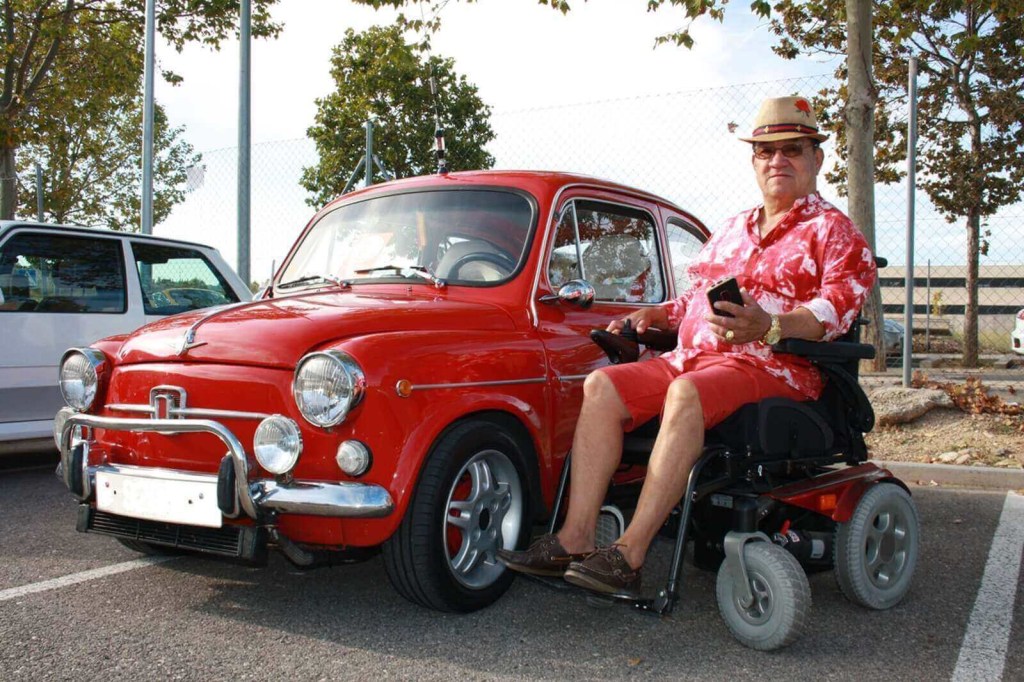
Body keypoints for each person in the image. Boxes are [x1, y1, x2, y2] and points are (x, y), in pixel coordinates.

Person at [497, 95, 878, 596]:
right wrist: (657, 314)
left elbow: (836, 310)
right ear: (754, 161)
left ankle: (628, 557)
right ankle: (574, 538)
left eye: (792, 150)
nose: (777, 161)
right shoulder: (731, 229)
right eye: (766, 152)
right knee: (601, 385)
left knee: (686, 393)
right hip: (694, 359)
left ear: (816, 159)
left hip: (773, 366)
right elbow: (695, 301)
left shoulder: (834, 232)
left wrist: (769, 325)